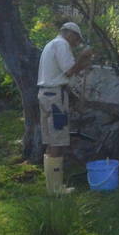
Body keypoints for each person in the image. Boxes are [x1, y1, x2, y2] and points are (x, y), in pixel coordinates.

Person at [37, 22, 93, 193]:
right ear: (70, 34)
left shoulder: (51, 44)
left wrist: (84, 63)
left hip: (46, 95)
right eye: (77, 39)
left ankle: (51, 185)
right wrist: (83, 58)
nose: (76, 43)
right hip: (55, 97)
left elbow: (64, 71)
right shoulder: (62, 44)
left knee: (50, 140)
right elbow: (69, 71)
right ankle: (55, 189)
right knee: (57, 141)